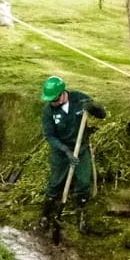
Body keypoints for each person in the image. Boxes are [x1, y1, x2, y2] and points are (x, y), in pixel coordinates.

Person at [38, 75, 106, 234]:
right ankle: (45, 214)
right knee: (55, 183)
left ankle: (81, 214)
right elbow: (50, 136)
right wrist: (67, 152)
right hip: (61, 151)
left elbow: (102, 115)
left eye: (54, 99)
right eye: (50, 100)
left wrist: (94, 107)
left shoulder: (80, 100)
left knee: (83, 182)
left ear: (63, 93)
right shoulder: (48, 111)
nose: (52, 103)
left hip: (81, 148)